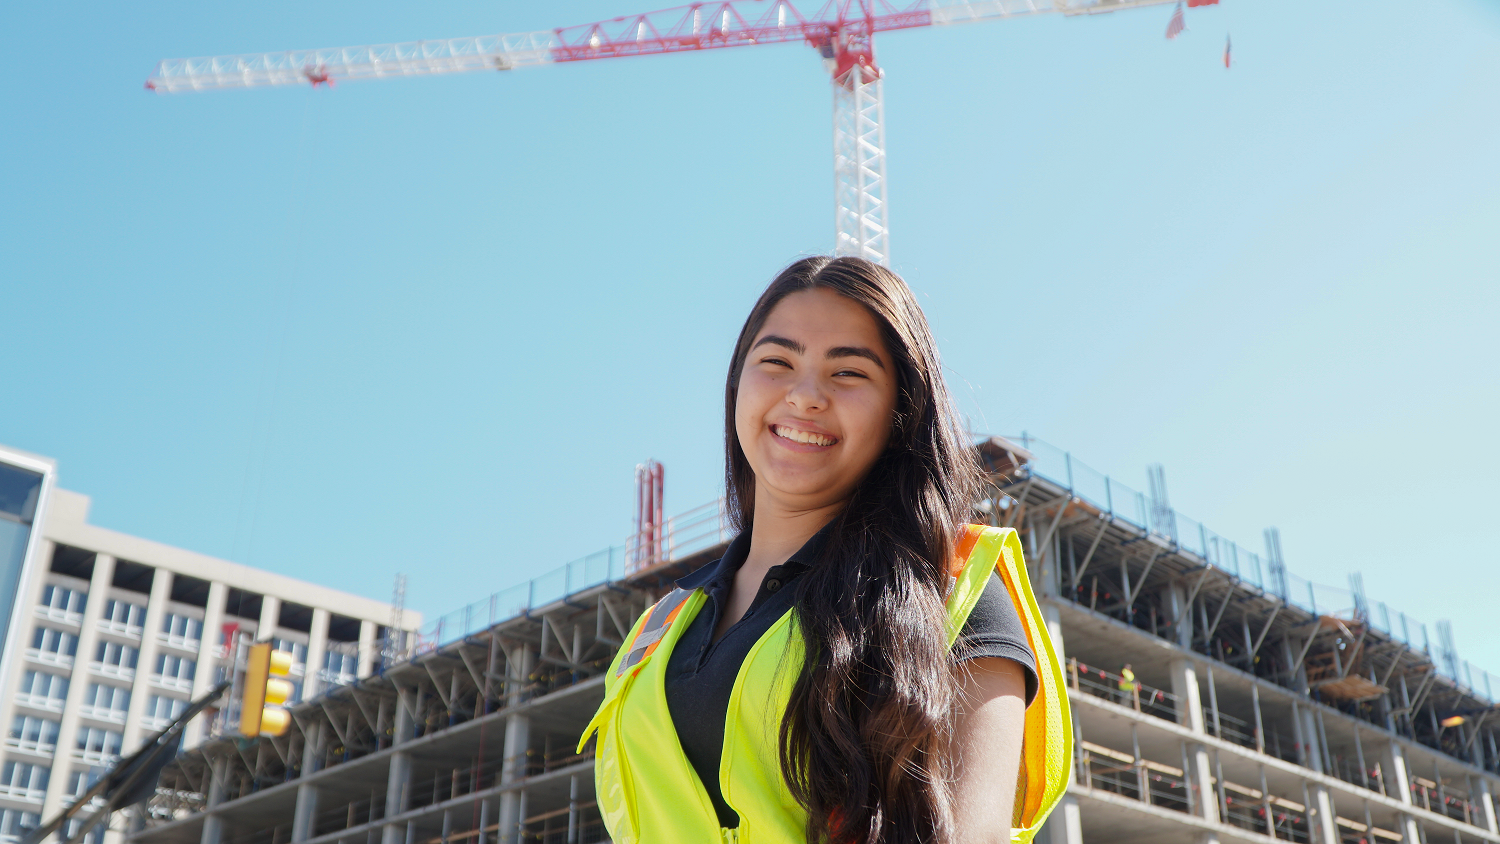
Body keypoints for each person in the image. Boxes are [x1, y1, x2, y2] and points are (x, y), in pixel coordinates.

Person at [580, 257, 1070, 844]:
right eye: (777, 362)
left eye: (849, 373)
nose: (805, 395)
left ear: (902, 412)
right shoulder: (661, 626)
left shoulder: (954, 588)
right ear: (737, 385)